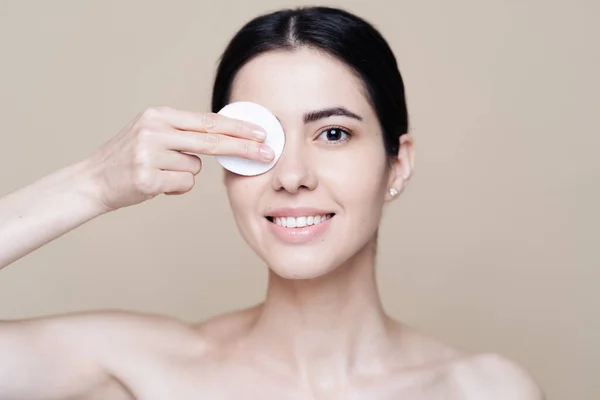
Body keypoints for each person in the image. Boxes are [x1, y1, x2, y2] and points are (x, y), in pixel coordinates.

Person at [0, 6, 543, 399]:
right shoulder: (145, 371)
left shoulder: (483, 389)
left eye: (333, 134)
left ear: (396, 164)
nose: (292, 176)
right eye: (257, 143)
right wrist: (93, 183)